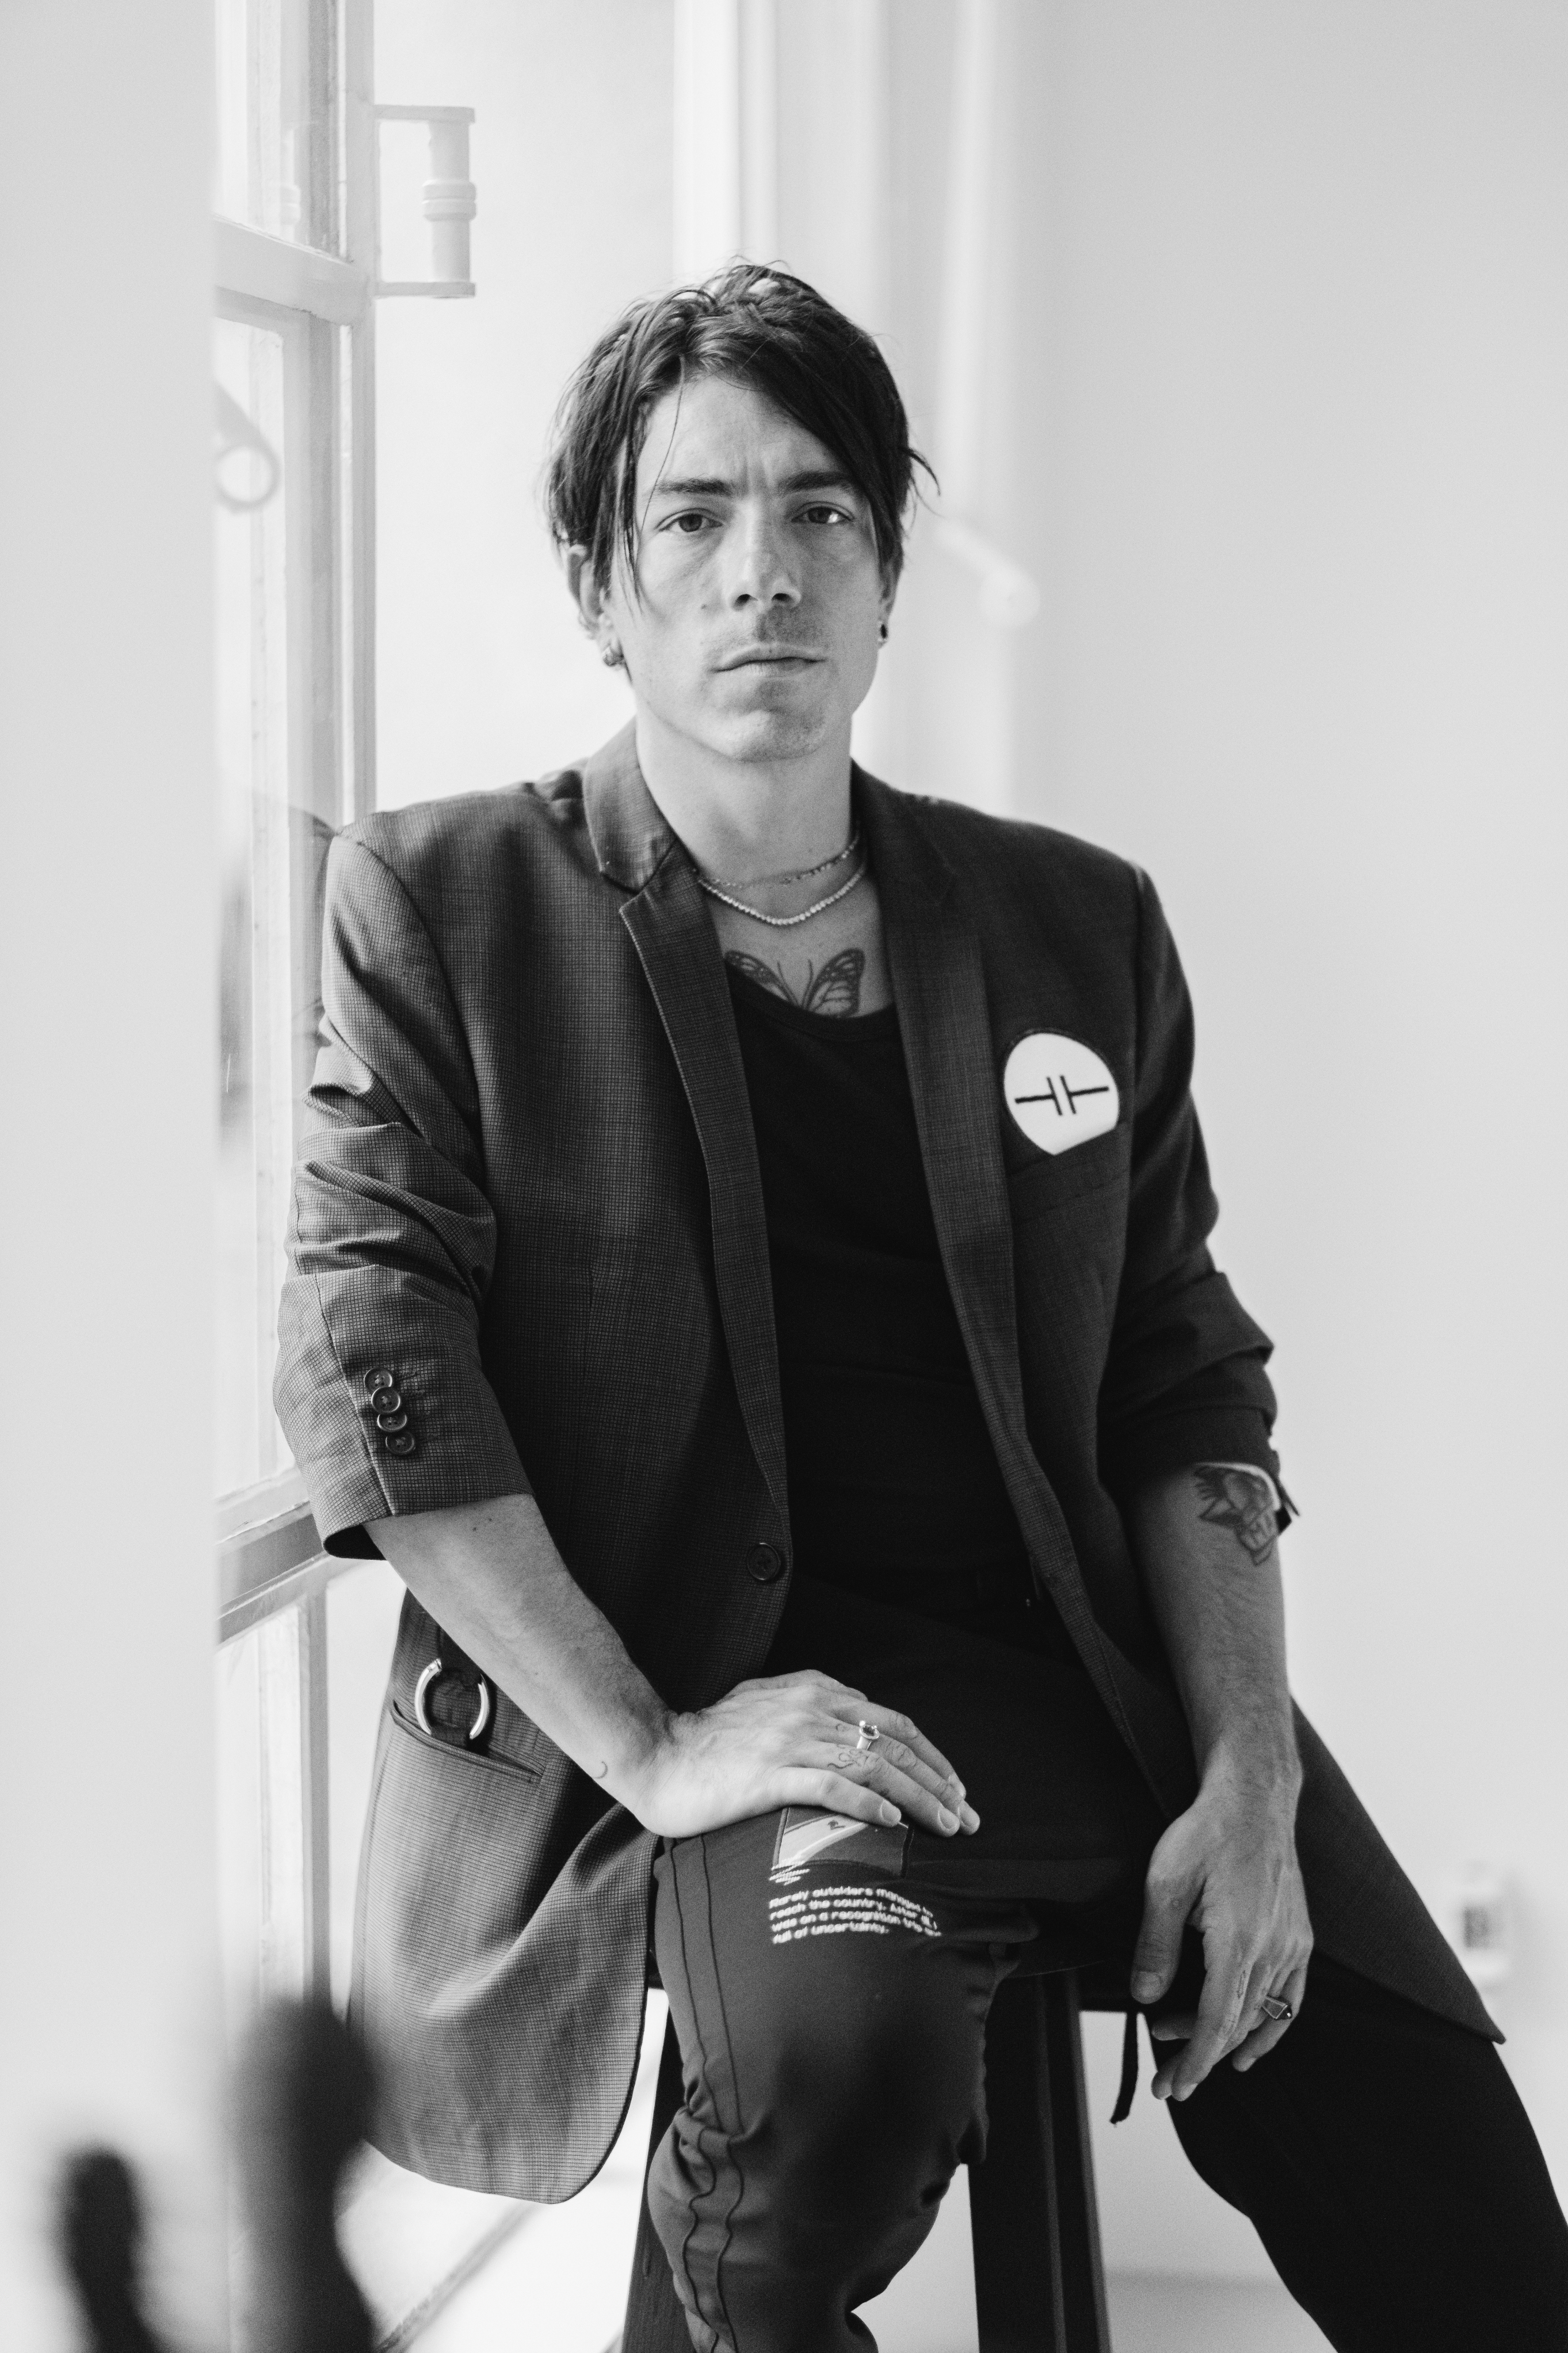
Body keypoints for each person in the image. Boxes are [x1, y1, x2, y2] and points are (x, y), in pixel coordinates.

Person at [276, 264, 1568, 2351]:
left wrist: (1249, 1775)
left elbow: (1183, 1377)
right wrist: (662, 1746)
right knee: (808, 2152)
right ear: (601, 589)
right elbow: (376, 1369)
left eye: (822, 513)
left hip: (1088, 1676)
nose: (762, 572)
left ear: (889, 579)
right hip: (734, 1707)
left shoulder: (1073, 923)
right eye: (693, 518)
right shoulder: (447, 904)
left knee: (1475, 2221)